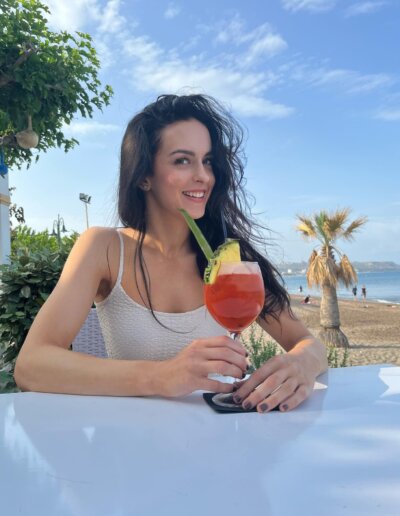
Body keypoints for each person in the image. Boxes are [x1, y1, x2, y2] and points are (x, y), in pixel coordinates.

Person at [14, 94, 327, 413]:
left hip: (223, 445)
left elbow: (309, 343)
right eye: (182, 160)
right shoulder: (105, 248)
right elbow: (31, 365)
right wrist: (162, 376)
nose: (203, 176)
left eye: (207, 161)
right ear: (144, 176)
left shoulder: (231, 257)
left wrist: (301, 363)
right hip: (134, 448)